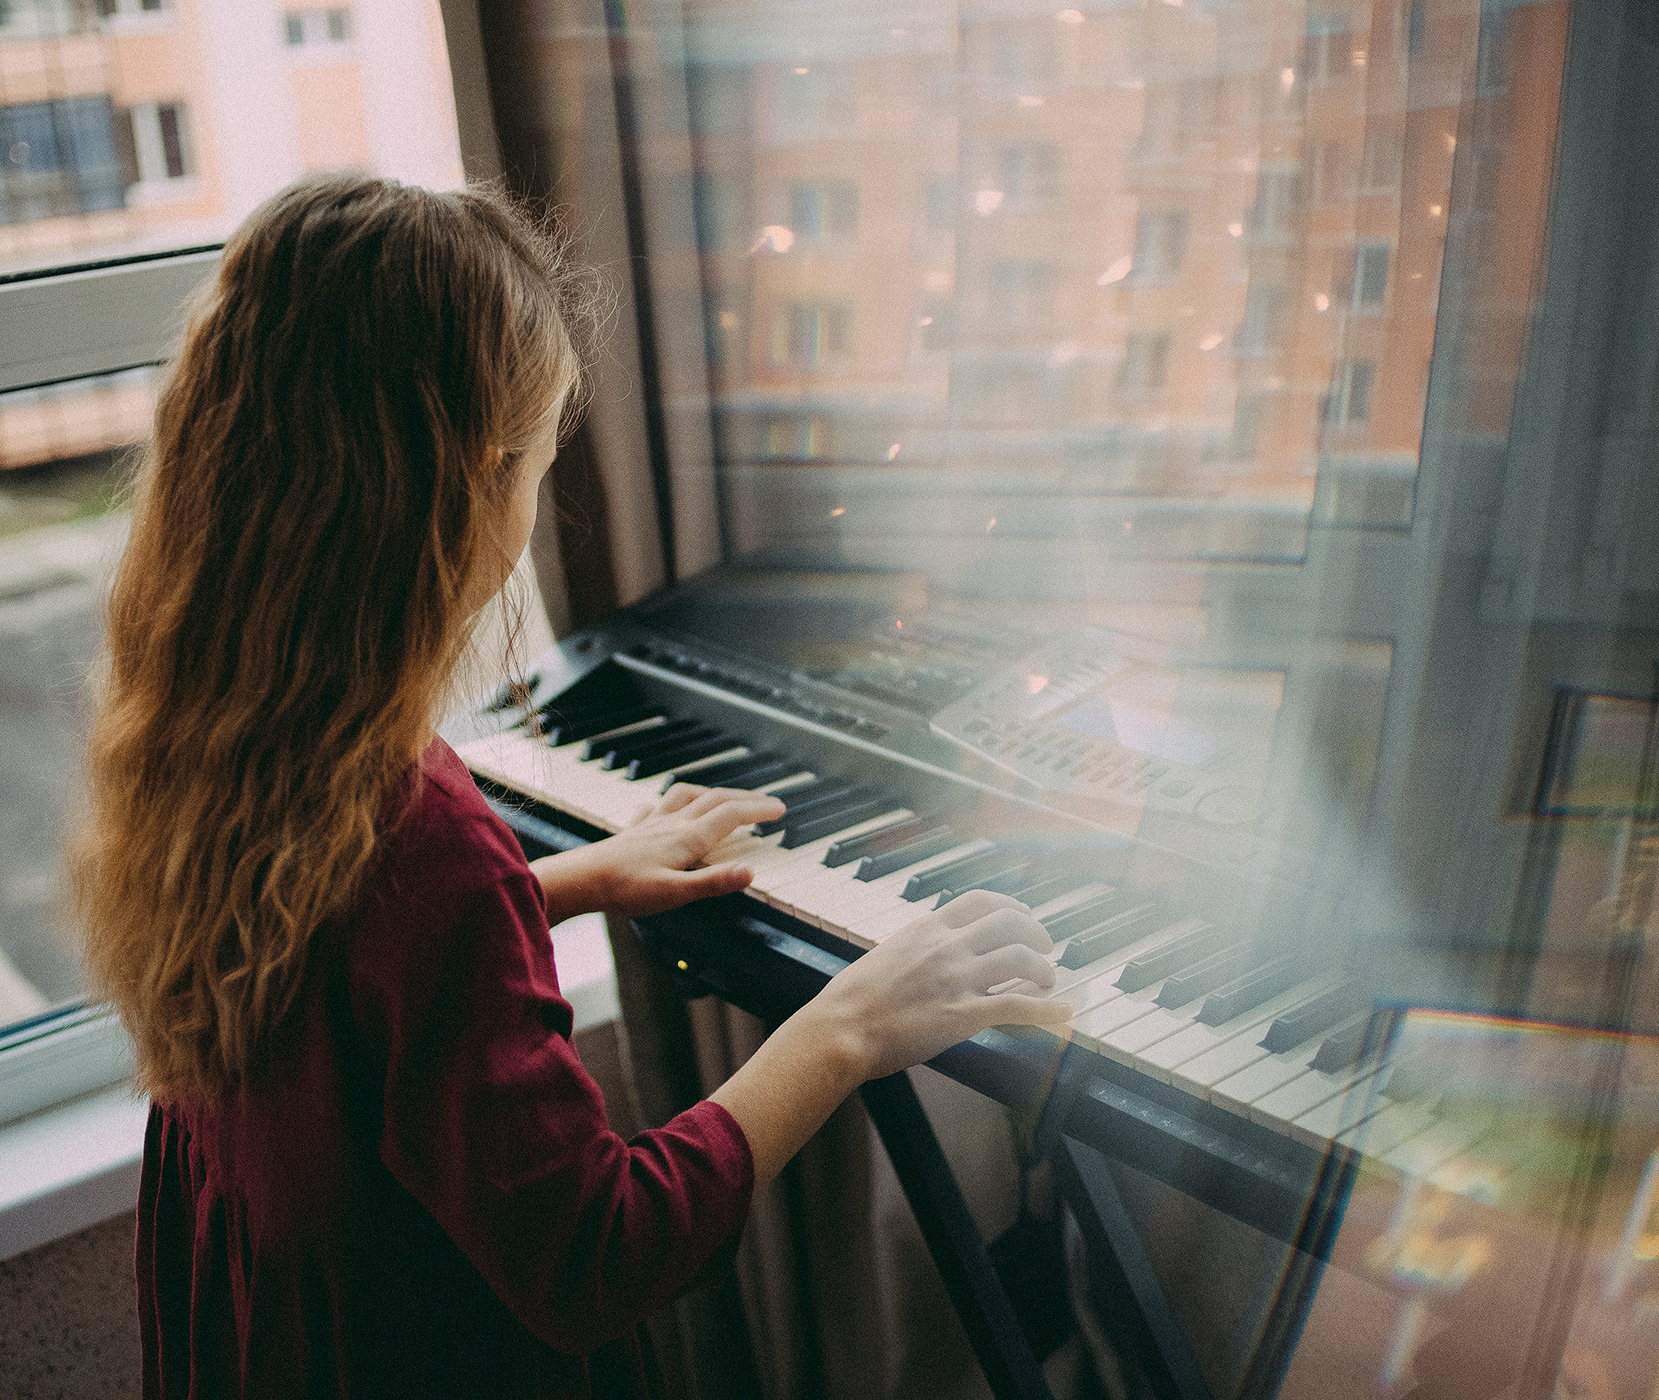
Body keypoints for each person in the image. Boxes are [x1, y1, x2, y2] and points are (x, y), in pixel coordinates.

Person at [70, 172, 1069, 1400]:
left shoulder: (219, 729)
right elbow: (597, 1251)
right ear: (474, 480)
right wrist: (850, 1023)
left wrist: (558, 883)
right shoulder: (419, 832)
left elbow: (346, 981)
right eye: (541, 458)